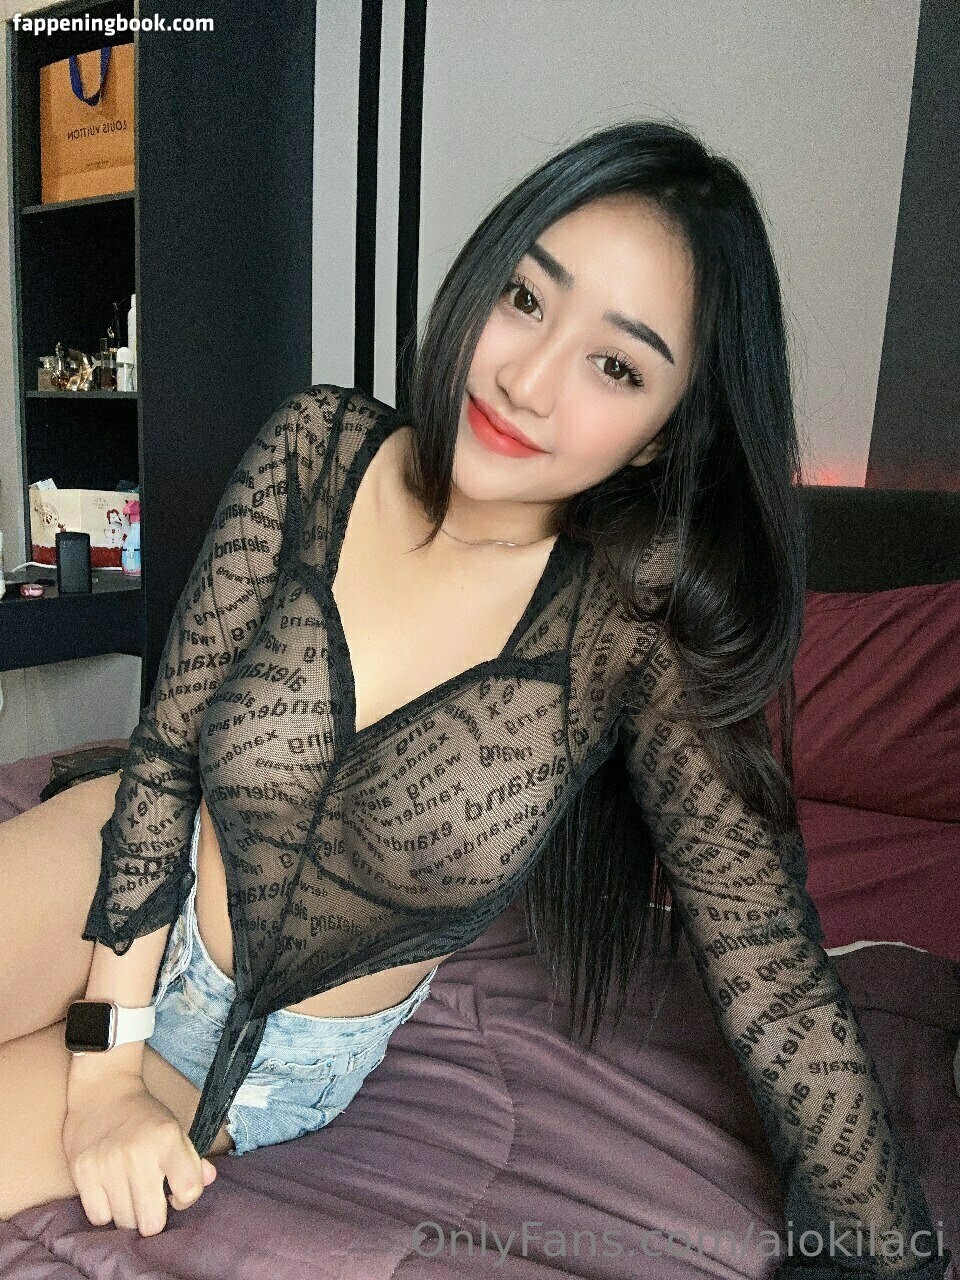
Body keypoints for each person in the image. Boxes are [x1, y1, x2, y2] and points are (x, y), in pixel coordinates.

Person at [0, 119, 949, 1278]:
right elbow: (166, 753)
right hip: (120, 876)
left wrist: (884, 1246)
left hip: (244, 1057)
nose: (525, 380)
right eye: (526, 298)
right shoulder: (315, 446)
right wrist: (101, 1065)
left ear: (661, 440)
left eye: (617, 366)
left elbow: (771, 963)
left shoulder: (628, 627)